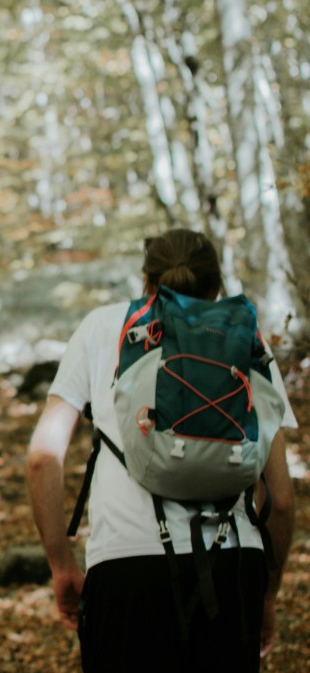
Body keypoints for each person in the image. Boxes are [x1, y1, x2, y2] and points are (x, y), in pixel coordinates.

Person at [27, 229, 297, 672]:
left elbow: (43, 456)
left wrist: (61, 564)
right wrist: (268, 591)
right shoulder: (244, 336)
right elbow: (281, 501)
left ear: (145, 279)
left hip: (125, 570)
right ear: (217, 285)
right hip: (234, 566)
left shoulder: (102, 327)